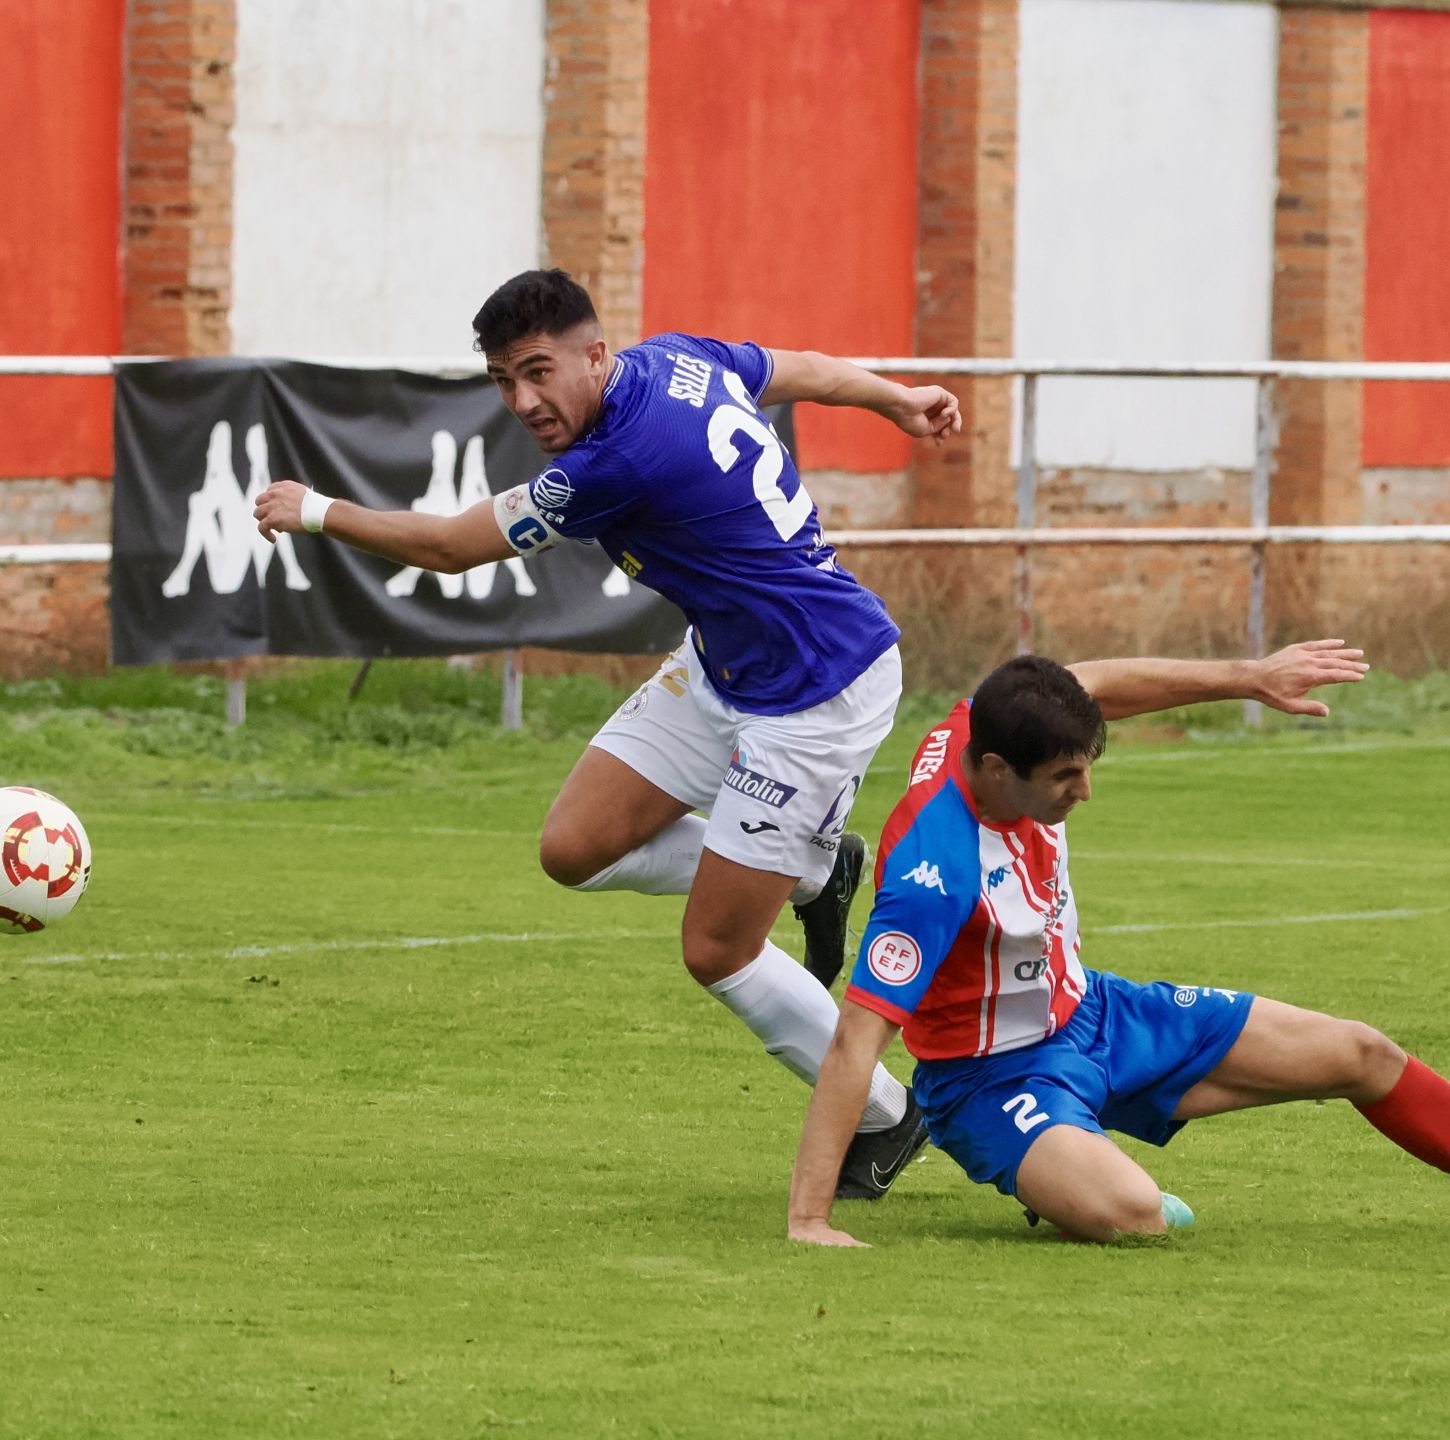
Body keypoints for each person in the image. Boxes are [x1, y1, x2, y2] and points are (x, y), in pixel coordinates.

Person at [256, 268, 959, 1197]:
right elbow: (803, 371)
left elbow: (450, 548)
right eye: (506, 381)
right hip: (726, 662)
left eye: (540, 372)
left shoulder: (618, 460)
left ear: (596, 354)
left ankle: (887, 1114)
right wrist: (896, 397)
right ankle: (814, 870)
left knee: (717, 949)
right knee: (574, 848)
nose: (524, 401)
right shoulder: (678, 359)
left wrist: (313, 511)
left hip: (817, 690)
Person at [788, 643, 1450, 1245]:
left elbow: (1095, 683)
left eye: (1089, 765)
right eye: (1065, 778)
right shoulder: (931, 874)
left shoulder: (994, 717)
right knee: (1133, 1216)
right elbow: (856, 1041)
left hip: (1097, 1012)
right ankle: (1071, 1167)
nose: (1084, 792)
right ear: (992, 772)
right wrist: (811, 1220)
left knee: (1360, 1052)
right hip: (989, 1082)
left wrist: (1251, 678)